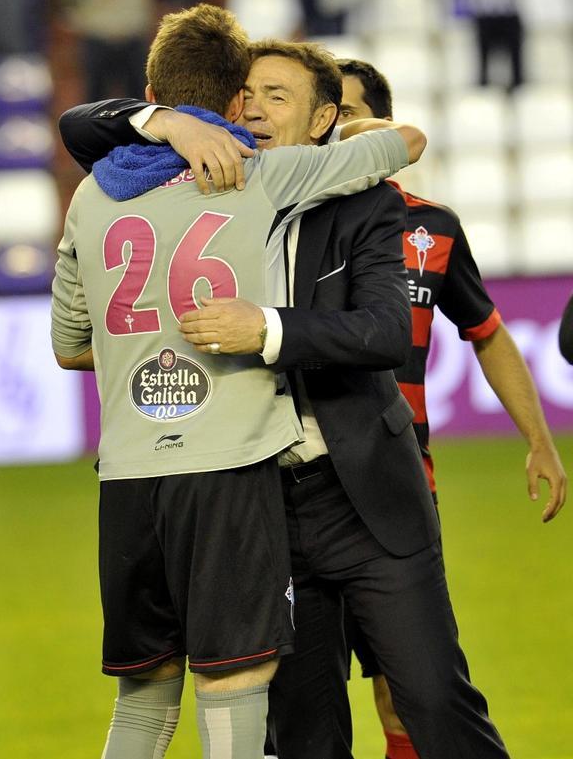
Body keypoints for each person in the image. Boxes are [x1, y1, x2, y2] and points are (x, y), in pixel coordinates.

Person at [58, 40, 514, 759]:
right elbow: (83, 124)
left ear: (325, 118)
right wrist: (169, 121)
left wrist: (265, 328)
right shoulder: (212, 185)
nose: (256, 109)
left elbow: (387, 331)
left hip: (362, 496)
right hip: (260, 503)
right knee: (303, 730)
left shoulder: (363, 202)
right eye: (249, 93)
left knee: (434, 701)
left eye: (279, 96)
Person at [336, 57, 566, 759]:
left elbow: (488, 331)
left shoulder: (432, 227)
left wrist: (540, 438)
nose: (332, 127)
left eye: (345, 113)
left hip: (401, 478)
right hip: (298, 483)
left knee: (407, 687)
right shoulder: (284, 218)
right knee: (296, 691)